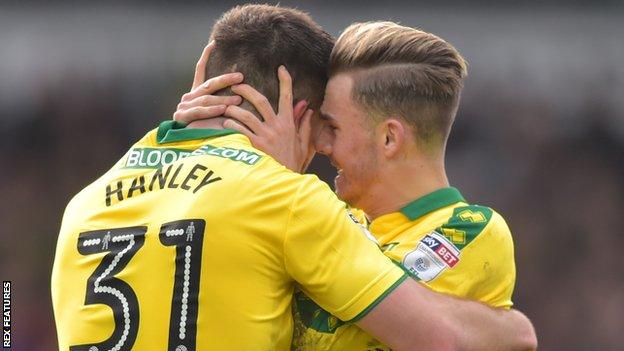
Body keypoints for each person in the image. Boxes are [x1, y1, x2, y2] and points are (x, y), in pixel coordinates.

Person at [51, 4, 536, 351]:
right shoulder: (288, 202)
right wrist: (513, 332)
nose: (321, 148)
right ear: (289, 111)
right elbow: (429, 335)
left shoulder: (84, 204)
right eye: (322, 126)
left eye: (336, 128)